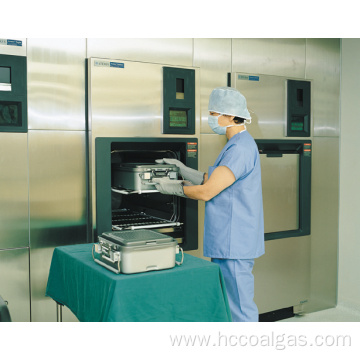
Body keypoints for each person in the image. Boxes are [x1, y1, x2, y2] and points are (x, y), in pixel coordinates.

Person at [153, 87, 265, 322]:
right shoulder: (237, 144)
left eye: (214, 113)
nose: (211, 118)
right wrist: (183, 170)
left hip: (235, 240)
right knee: (231, 303)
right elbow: (212, 180)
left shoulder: (240, 148)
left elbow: (207, 191)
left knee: (240, 308)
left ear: (230, 115)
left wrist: (172, 188)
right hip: (230, 239)